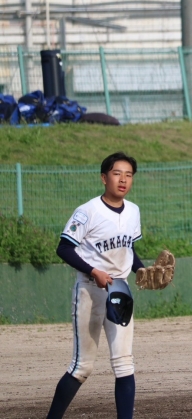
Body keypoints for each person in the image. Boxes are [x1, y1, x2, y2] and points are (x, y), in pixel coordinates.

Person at [46, 152, 144, 418]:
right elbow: (64, 248)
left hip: (120, 291)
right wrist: (93, 271)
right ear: (104, 178)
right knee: (82, 367)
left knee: (124, 364)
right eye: (117, 173)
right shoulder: (87, 211)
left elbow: (128, 249)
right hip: (90, 291)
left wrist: (142, 270)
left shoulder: (133, 211)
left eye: (128, 175)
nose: (123, 180)